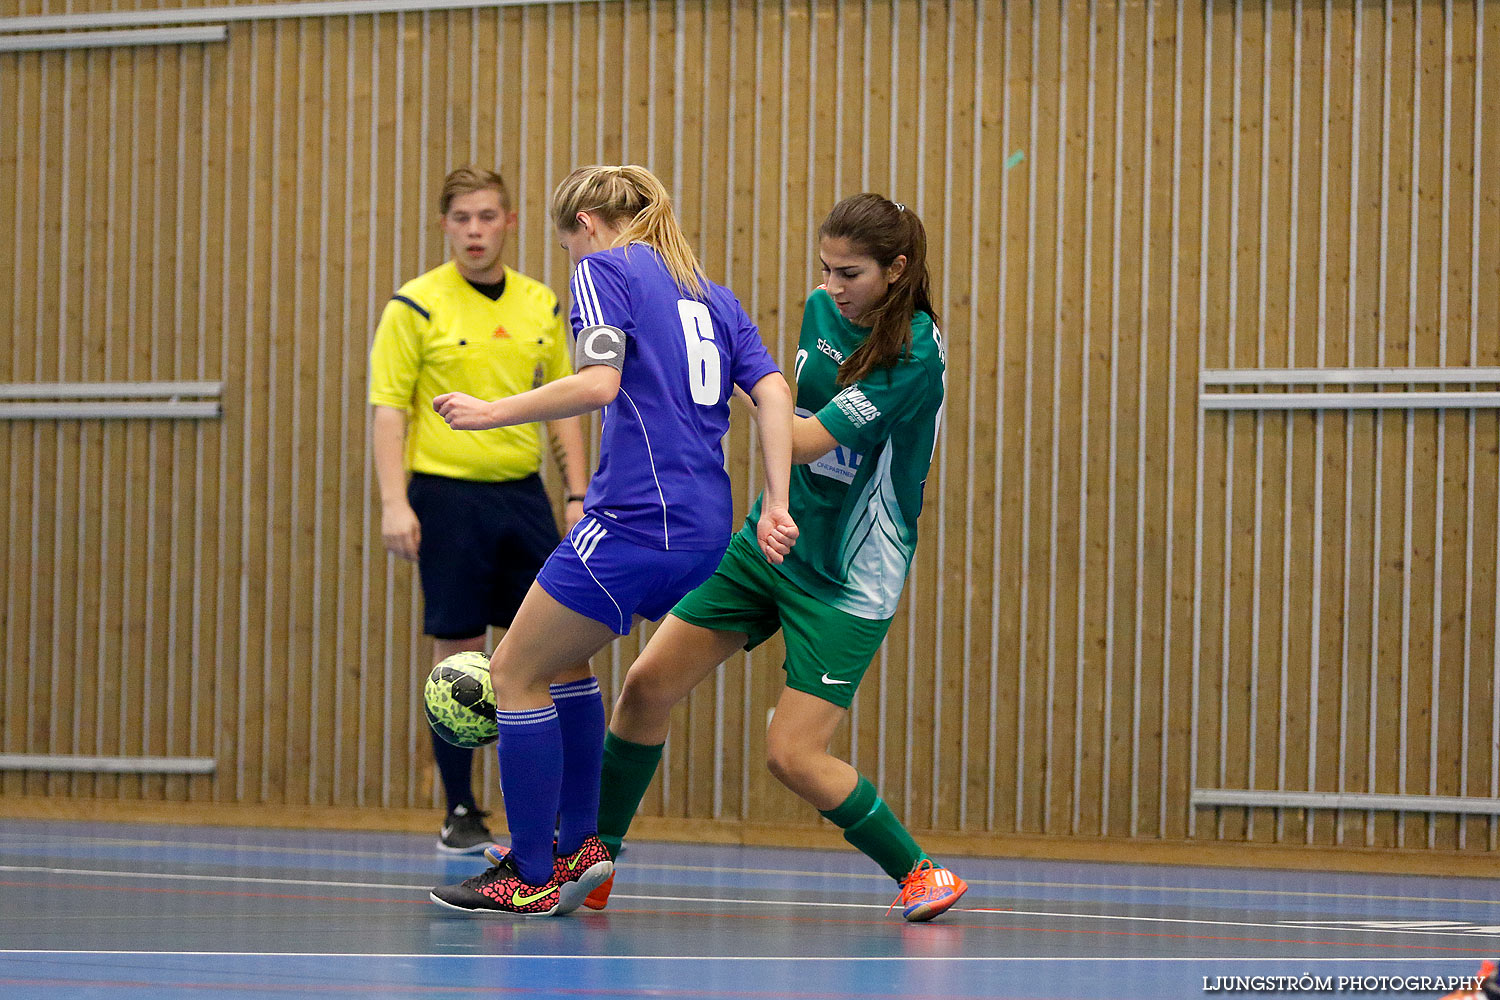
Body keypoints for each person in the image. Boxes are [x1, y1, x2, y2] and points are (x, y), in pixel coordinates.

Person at [579, 193, 968, 921]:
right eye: (825, 269)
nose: (832, 288)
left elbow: (809, 434)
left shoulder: (915, 356)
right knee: (645, 686)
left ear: (898, 269)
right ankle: (592, 863)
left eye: (850, 273)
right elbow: (781, 401)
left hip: (847, 580)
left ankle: (921, 872)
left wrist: (708, 384)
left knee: (792, 755)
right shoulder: (827, 312)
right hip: (771, 542)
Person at [427, 164, 797, 916]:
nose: (573, 261)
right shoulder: (713, 296)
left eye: (568, 247)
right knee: (563, 668)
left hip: (632, 522)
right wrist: (777, 503)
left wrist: (492, 411)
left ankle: (532, 872)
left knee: (513, 673)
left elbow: (597, 383)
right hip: (704, 533)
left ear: (587, 223)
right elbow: (774, 392)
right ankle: (582, 844)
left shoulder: (603, 268)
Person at [368, 166, 591, 854]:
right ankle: (460, 808)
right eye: (462, 217)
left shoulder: (541, 304)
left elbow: (570, 401)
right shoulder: (415, 305)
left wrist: (579, 495)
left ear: (510, 222)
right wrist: (394, 503)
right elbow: (387, 408)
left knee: (557, 651)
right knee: (459, 656)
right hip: (446, 495)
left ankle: (556, 814)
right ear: (444, 225)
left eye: (487, 217)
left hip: (522, 496)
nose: (474, 230)